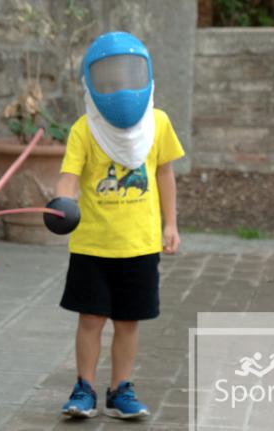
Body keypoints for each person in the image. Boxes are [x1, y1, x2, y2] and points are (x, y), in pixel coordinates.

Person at [54, 31, 185, 419]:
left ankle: (120, 389)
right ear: (92, 83)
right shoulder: (84, 129)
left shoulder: (158, 124)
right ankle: (84, 388)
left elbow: (164, 174)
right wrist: (61, 202)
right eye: (108, 79)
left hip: (140, 244)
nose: (120, 86)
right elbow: (69, 176)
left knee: (128, 322)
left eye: (127, 76)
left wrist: (171, 224)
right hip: (92, 244)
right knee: (91, 319)